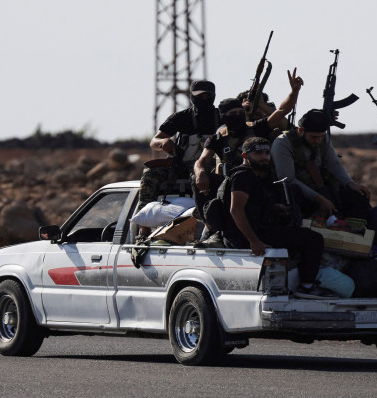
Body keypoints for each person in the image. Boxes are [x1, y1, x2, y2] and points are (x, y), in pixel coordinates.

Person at [222, 137, 334, 299]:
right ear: (245, 156)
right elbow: (236, 209)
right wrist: (254, 241)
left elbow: (252, 206)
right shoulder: (243, 176)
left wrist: (274, 208)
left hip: (258, 230)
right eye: (258, 153)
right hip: (247, 236)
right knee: (313, 239)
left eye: (267, 153)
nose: (264, 157)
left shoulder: (255, 176)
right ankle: (307, 286)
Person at [271, 109, 377, 229]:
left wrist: (350, 183)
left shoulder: (322, 139)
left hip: (321, 188)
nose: (318, 141)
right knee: (294, 193)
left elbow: (333, 163)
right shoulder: (283, 143)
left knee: (357, 195)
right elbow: (287, 179)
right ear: (301, 130)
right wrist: (319, 199)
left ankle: (354, 229)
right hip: (299, 193)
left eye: (321, 137)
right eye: (314, 137)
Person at [193, 68, 304, 198]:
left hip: (259, 184)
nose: (238, 116)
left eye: (240, 112)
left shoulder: (257, 128)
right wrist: (200, 173)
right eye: (233, 113)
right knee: (197, 181)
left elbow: (281, 111)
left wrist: (294, 92)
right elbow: (202, 161)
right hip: (232, 187)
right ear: (224, 117)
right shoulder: (218, 138)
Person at [136, 79, 220, 216]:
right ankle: (143, 218)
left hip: (209, 165)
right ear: (192, 96)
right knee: (151, 173)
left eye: (207, 96)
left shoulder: (221, 117)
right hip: (181, 164)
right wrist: (164, 142)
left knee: (202, 178)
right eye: (200, 96)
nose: (204, 99)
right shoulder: (181, 117)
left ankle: (202, 216)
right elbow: (154, 141)